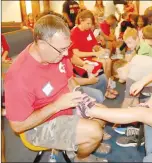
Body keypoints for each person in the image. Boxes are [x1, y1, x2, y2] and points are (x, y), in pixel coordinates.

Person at [4, 14, 111, 162]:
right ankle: (82, 157)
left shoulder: (58, 53)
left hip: (63, 106)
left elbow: (70, 80)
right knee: (94, 132)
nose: (66, 54)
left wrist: (81, 98)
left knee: (102, 114)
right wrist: (56, 106)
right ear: (42, 44)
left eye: (67, 48)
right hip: (38, 126)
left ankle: (82, 143)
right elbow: (18, 125)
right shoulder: (18, 76)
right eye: (61, 50)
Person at [70, 10, 118, 99]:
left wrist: (100, 49)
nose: (89, 26)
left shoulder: (88, 31)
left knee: (108, 60)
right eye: (88, 23)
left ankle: (108, 86)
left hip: (91, 56)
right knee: (104, 62)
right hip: (82, 59)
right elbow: (76, 53)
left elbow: (94, 44)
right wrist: (95, 52)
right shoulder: (74, 32)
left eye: (90, 24)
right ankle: (107, 89)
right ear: (81, 20)